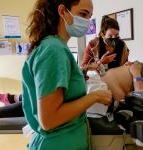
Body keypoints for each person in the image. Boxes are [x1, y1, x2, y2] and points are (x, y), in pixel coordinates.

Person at [22, 0, 112, 150]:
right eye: (83, 14)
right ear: (63, 11)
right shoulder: (53, 50)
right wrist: (95, 96)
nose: (86, 22)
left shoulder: (56, 46)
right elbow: (49, 119)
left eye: (89, 16)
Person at [0, 61, 143, 119]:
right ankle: (13, 99)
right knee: (46, 94)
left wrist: (136, 74)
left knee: (44, 103)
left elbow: (141, 100)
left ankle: (2, 111)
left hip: (99, 94)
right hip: (93, 84)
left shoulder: (138, 74)